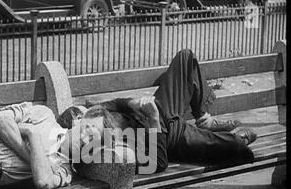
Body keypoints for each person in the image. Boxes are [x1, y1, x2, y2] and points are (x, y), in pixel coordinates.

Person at [59, 49, 257, 173]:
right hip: (169, 136)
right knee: (236, 145)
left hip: (161, 107)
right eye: (83, 129)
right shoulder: (113, 151)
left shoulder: (96, 115)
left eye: (84, 119)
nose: (87, 126)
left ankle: (203, 118)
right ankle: (237, 138)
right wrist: (154, 120)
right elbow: (158, 163)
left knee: (185, 58)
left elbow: (117, 103)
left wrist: (133, 104)